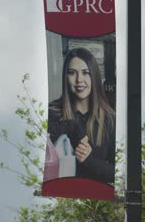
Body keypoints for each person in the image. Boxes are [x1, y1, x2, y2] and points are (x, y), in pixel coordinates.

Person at [48, 47, 115, 184]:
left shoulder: (110, 120)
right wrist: (73, 129)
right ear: (65, 77)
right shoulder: (51, 113)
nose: (79, 79)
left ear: (94, 76)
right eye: (72, 73)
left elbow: (116, 174)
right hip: (58, 200)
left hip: (94, 202)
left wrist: (89, 159)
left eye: (86, 73)